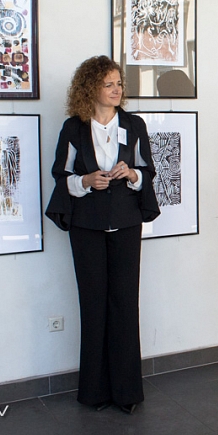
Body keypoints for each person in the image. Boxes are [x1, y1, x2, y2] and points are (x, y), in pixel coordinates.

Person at [46, 55, 160, 414]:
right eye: (109, 83)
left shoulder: (134, 124)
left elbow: (147, 171)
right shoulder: (74, 128)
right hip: (87, 226)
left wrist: (131, 174)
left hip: (126, 222)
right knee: (93, 304)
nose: (117, 89)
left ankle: (126, 393)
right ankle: (94, 391)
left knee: (125, 305)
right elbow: (60, 173)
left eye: (119, 83)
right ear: (90, 87)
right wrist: (84, 181)